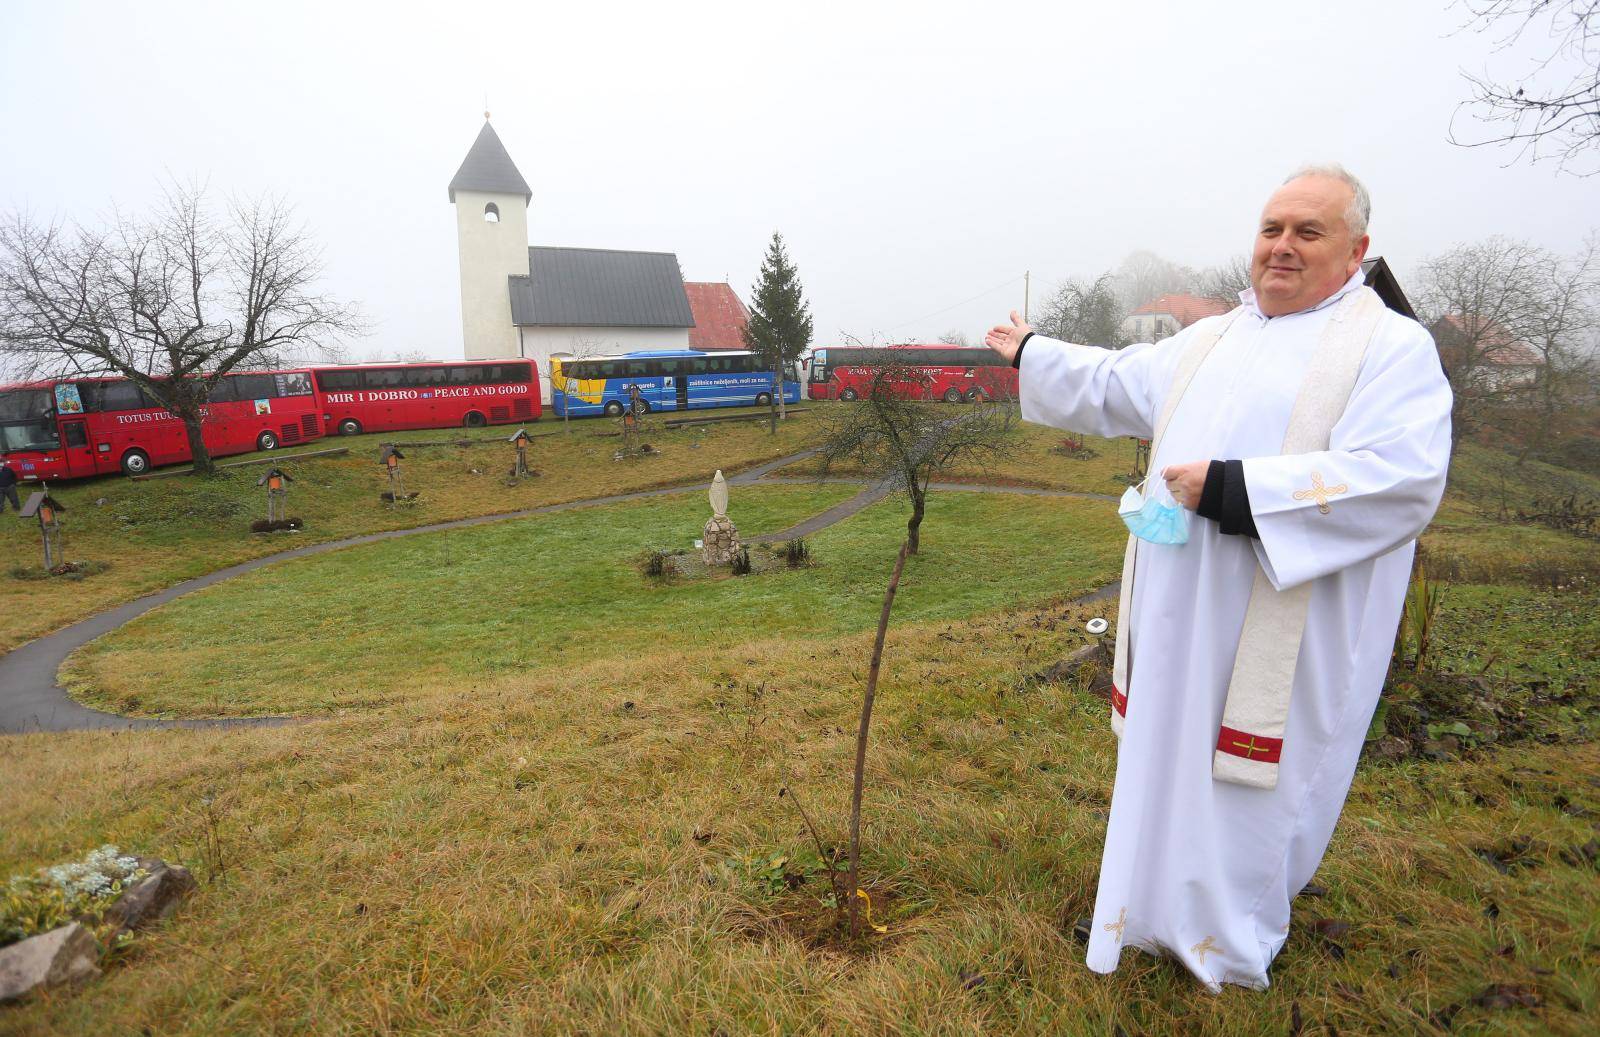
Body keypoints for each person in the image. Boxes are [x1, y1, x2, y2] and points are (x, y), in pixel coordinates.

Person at [986, 164, 1452, 991]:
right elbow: (1117, 381)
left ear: (1357, 250)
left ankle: (1228, 944)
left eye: (1308, 232)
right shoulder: (1213, 338)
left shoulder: (1389, 348)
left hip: (1282, 619)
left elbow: (1401, 476)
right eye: (1272, 229)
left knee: (1242, 784)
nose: (1282, 247)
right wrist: (1031, 351)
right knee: (1168, 760)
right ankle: (1147, 914)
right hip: (1177, 608)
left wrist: (1240, 491)